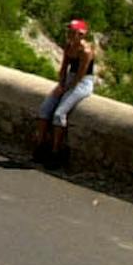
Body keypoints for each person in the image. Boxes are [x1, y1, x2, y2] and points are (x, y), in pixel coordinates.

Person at [35, 19, 97, 166]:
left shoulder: (86, 52)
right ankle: (40, 145)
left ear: (81, 35)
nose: (69, 34)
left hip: (83, 82)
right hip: (69, 80)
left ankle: (56, 152)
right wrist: (61, 84)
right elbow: (64, 68)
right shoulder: (69, 46)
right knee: (45, 109)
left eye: (73, 32)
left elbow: (80, 76)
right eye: (69, 31)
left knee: (59, 114)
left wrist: (66, 88)